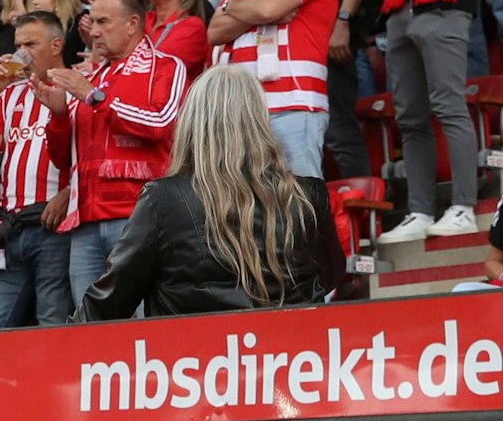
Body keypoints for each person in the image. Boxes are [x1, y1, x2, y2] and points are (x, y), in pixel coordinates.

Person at [76, 67, 344, 321]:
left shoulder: (163, 200)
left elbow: (111, 300)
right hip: (292, 360)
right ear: (260, 121)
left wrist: (55, 347)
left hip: (193, 363)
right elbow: (331, 277)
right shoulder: (307, 195)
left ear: (192, 125)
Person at [31, 0, 187, 306]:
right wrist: (59, 115)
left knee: (140, 330)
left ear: (132, 24)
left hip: (139, 218)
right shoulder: (92, 77)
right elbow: (63, 161)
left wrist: (94, 97)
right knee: (91, 336)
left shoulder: (166, 67)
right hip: (85, 222)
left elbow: (160, 125)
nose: (94, 31)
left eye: (104, 22)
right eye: (92, 22)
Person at [372, 0, 493, 242]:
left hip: (445, 4)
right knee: (409, 117)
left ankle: (464, 207)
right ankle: (420, 210)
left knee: (449, 105)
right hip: (400, 7)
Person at [208, 0, 340, 179]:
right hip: (243, 111)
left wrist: (236, 8)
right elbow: (215, 31)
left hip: (293, 104)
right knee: (249, 209)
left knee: (298, 204)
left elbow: (269, 9)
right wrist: (247, 9)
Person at [0, 12, 73, 330]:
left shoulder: (78, 87)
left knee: (52, 324)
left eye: (31, 44)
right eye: (18, 46)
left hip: (55, 227)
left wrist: (69, 195)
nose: (22, 54)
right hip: (10, 227)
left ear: (57, 45)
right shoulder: (10, 94)